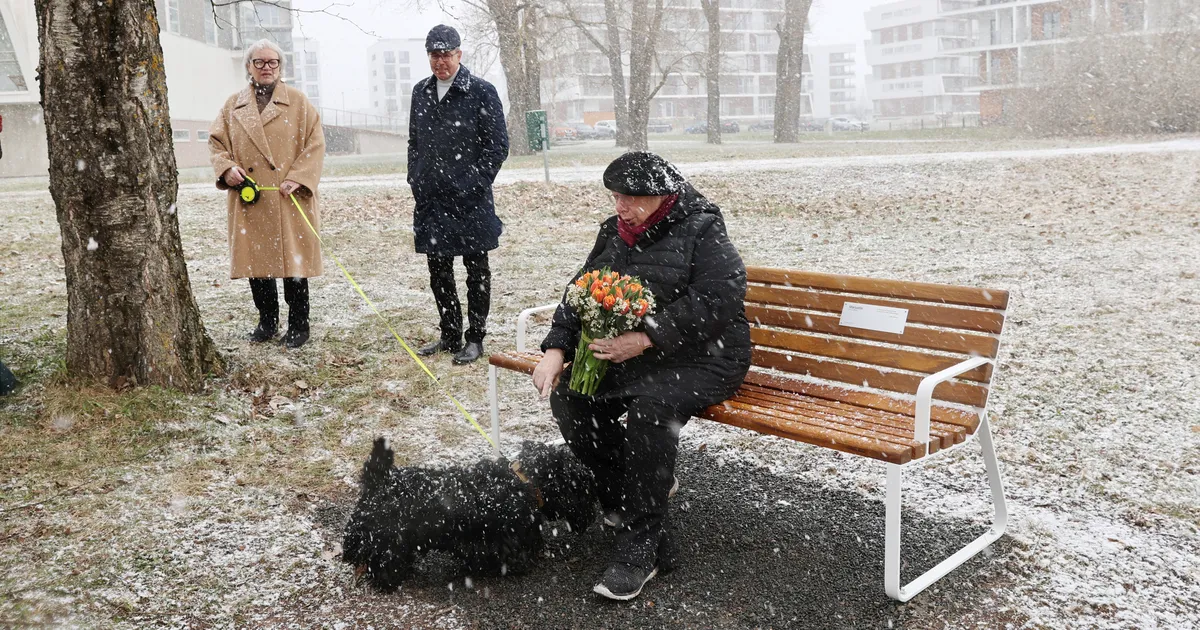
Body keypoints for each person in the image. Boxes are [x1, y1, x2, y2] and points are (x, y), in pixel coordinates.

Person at [531, 152, 751, 601]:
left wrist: (648, 337)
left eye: (631, 198)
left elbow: (720, 298)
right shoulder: (615, 232)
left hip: (706, 356)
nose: (621, 207)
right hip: (637, 355)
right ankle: (630, 501)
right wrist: (557, 348)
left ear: (662, 197)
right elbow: (582, 290)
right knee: (572, 398)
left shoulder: (701, 227)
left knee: (651, 413)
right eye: (615, 196)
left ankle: (640, 548)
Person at [208, 39, 326, 349]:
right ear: (248, 67)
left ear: (281, 67)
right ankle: (267, 321)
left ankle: (299, 324)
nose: (266, 67)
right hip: (251, 198)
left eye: (272, 62)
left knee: (294, 264)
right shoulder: (233, 106)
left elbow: (315, 145)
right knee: (256, 265)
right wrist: (227, 168)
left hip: (289, 198)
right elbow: (216, 143)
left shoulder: (299, 103)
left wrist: (298, 177)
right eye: (259, 62)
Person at [408, 25, 510, 365]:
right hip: (432, 199)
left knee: (476, 271)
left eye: (447, 54)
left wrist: (474, 183)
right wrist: (416, 177)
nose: (441, 62)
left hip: (470, 201)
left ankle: (475, 338)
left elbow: (497, 147)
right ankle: (449, 333)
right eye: (435, 55)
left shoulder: (481, 91)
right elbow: (414, 142)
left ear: (459, 55)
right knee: (438, 270)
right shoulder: (420, 92)